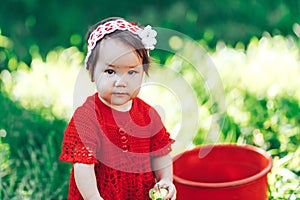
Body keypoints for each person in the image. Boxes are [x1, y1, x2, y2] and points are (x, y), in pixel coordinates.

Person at [60, 17, 176, 200]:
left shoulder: (148, 115)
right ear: (91, 71)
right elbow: (83, 166)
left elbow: (160, 153)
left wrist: (165, 179)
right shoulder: (87, 118)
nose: (121, 82)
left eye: (132, 72)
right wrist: (93, 197)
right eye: (110, 71)